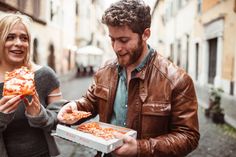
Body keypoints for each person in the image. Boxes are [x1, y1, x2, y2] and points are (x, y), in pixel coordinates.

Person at [58, 0, 200, 156]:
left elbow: (188, 136)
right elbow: (91, 102)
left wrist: (140, 148)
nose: (117, 48)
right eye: (112, 39)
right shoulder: (104, 71)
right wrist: (75, 107)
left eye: (124, 40)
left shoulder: (177, 80)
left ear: (145, 34)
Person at [0, 13, 63, 157]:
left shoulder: (45, 75)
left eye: (24, 38)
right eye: (10, 37)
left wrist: (40, 115)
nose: (19, 43)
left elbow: (61, 120)